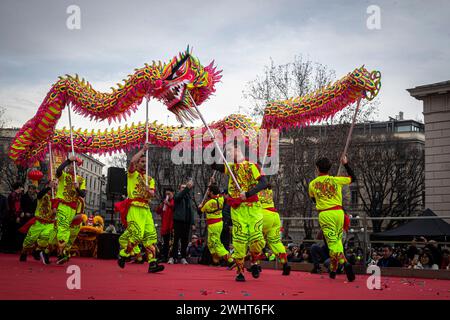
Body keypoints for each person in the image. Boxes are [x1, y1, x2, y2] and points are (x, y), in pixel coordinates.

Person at [211, 140, 268, 282]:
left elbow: (263, 183)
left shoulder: (251, 166)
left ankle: (255, 262)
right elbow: (213, 165)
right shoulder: (230, 168)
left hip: (253, 209)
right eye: (227, 151)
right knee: (239, 240)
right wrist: (214, 146)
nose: (228, 153)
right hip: (237, 209)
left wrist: (248, 193)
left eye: (230, 150)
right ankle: (240, 271)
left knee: (257, 239)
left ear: (238, 149)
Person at [116, 143, 164, 273]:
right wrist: (143, 149)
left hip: (146, 210)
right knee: (137, 235)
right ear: (137, 164)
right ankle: (123, 254)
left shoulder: (150, 179)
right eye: (141, 161)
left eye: (145, 162)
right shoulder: (132, 175)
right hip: (134, 208)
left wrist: (149, 191)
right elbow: (132, 161)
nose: (143, 164)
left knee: (150, 236)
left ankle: (152, 263)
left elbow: (153, 194)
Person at [308, 155, 356, 282]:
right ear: (329, 168)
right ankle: (333, 271)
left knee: (332, 244)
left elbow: (313, 199)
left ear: (317, 168)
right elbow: (353, 178)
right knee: (337, 242)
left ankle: (345, 263)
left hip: (325, 214)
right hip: (339, 213)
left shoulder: (312, 184)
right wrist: (345, 164)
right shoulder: (336, 180)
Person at [54, 155, 86, 264]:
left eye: (75, 165)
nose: (73, 167)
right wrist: (68, 160)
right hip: (63, 205)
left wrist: (77, 187)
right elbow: (58, 171)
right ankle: (62, 253)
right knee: (63, 227)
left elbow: (83, 194)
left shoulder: (81, 180)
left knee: (68, 230)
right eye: (72, 165)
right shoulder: (63, 175)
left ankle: (63, 253)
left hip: (73, 208)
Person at [19, 179, 57, 264]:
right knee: (29, 240)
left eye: (56, 184)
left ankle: (37, 250)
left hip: (49, 222)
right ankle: (24, 252)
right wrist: (48, 188)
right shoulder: (43, 194)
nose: (55, 186)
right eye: (53, 184)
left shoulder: (57, 197)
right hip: (39, 221)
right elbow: (39, 195)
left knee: (46, 237)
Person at [198, 184, 234, 267]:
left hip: (213, 225)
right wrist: (212, 184)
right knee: (210, 243)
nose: (208, 193)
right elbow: (219, 193)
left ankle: (230, 259)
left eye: (209, 191)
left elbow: (200, 212)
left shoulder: (209, 203)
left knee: (216, 243)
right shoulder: (221, 198)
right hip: (219, 223)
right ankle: (216, 259)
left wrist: (200, 207)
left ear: (211, 192)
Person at [258, 184, 290, 275]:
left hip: (263, 215)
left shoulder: (255, 191)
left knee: (256, 239)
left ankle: (256, 264)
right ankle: (285, 263)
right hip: (275, 215)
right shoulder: (269, 191)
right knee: (275, 242)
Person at [169, 180, 196, 265]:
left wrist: (193, 223)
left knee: (185, 240)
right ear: (179, 189)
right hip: (178, 221)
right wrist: (187, 188)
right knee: (176, 240)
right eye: (183, 187)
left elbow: (191, 211)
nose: (185, 189)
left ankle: (183, 257)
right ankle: (173, 257)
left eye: (186, 187)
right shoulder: (177, 195)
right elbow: (178, 197)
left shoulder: (189, 198)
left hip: (186, 222)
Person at [1, 182, 24, 253]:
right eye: (21, 187)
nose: (22, 189)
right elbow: (14, 207)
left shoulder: (17, 195)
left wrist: (21, 212)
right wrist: (17, 216)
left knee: (13, 232)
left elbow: (18, 206)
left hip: (14, 216)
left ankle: (12, 248)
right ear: (19, 187)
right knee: (11, 233)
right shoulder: (14, 195)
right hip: (12, 217)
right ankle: (9, 248)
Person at [156, 188, 175, 262]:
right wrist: (160, 206)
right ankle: (165, 257)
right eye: (166, 194)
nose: (167, 195)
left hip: (171, 225)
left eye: (169, 194)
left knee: (171, 243)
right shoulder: (163, 202)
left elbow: (174, 208)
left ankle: (171, 257)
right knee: (165, 242)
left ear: (172, 193)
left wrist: (168, 204)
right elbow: (158, 211)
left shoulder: (174, 201)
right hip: (164, 225)